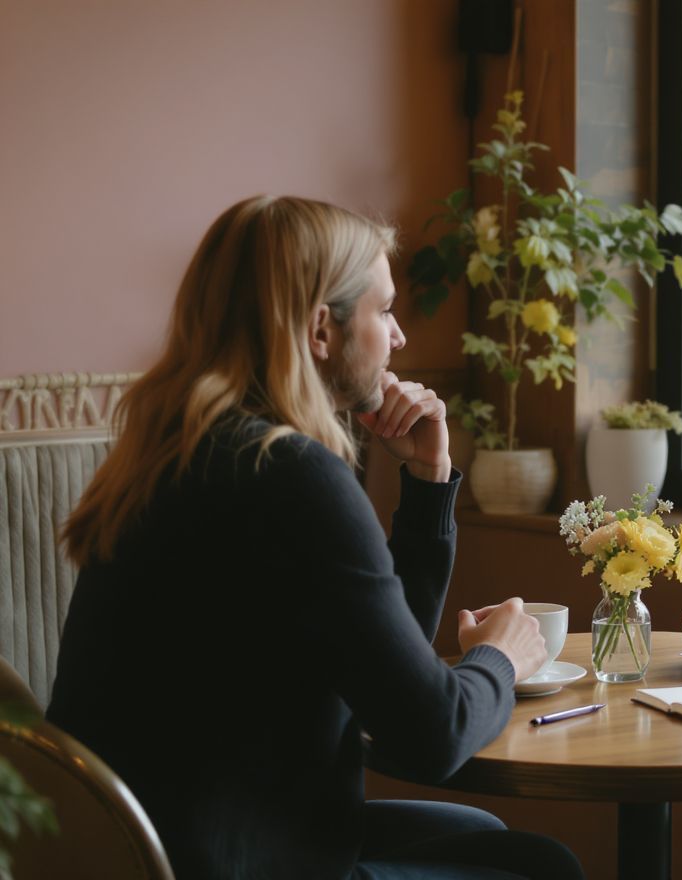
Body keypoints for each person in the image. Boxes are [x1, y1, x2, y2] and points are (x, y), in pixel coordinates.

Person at [47, 195, 583, 880]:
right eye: (384, 310)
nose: (400, 338)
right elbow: (434, 737)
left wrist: (427, 477)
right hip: (227, 858)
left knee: (480, 834)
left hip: (139, 848)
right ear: (320, 330)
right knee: (543, 868)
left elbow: (388, 680)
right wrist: (504, 657)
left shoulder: (174, 450)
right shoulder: (290, 475)